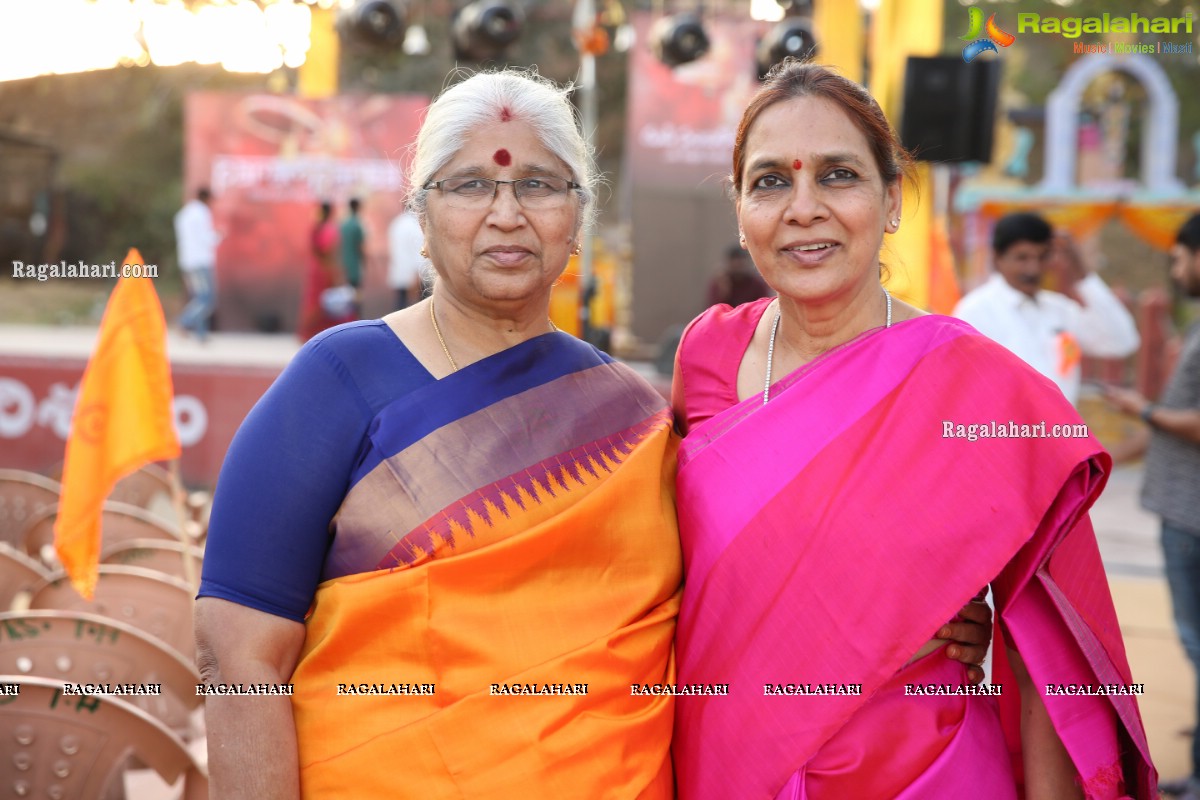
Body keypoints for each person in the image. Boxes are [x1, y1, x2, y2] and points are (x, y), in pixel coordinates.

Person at [194, 68, 991, 800]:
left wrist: (919, 611)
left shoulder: (636, 418)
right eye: (471, 185)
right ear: (422, 212)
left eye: (539, 185)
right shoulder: (336, 383)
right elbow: (239, 659)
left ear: (577, 215)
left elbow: (745, 583)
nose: (507, 214)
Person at [670, 60, 1155, 799]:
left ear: (892, 198)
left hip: (923, 774)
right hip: (726, 764)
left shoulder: (982, 390)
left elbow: (1049, 663)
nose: (803, 207)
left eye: (838, 175)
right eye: (771, 180)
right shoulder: (707, 354)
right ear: (740, 208)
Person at [1105, 212, 1200, 800]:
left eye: (1181, 256)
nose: (1177, 268)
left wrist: (1142, 408)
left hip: (1190, 514)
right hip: (1181, 507)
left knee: (1194, 640)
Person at [953, 211, 1140, 404]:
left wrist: (1082, 273)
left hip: (1060, 431)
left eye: (1042, 257)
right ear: (998, 259)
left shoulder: (1060, 310)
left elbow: (1121, 341)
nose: (1033, 269)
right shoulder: (974, 312)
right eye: (1022, 258)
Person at [298, 200, 351, 342]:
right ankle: (323, 334)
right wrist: (334, 273)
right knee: (324, 304)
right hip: (325, 269)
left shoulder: (316, 228)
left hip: (315, 269)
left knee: (315, 302)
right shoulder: (329, 229)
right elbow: (327, 252)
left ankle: (307, 333)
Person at [173, 186, 221, 341]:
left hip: (187, 260)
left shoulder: (185, 213)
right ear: (207, 198)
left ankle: (201, 333)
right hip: (200, 260)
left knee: (199, 298)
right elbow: (204, 238)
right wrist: (218, 236)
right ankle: (184, 322)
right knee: (206, 298)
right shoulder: (201, 213)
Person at [387, 206, 428, 310]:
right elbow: (419, 251)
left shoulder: (397, 223)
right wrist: (417, 272)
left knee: (401, 303)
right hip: (415, 272)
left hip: (399, 269)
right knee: (422, 305)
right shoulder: (415, 225)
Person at [707, 243, 772, 307]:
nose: (738, 264)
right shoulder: (721, 282)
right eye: (735, 260)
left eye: (741, 260)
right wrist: (723, 292)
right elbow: (714, 310)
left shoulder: (757, 284)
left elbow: (763, 307)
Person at [340, 197, 366, 315]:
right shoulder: (357, 225)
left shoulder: (344, 224)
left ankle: (346, 320)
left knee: (345, 295)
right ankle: (355, 319)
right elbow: (360, 247)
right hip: (355, 265)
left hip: (344, 264)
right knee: (356, 296)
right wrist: (364, 262)